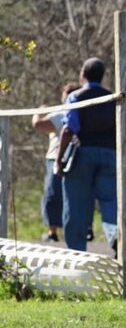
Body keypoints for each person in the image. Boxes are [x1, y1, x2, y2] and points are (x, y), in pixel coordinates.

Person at [55, 58, 118, 253]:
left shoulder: (75, 97)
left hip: (84, 153)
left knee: (76, 203)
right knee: (110, 201)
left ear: (83, 74)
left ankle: (77, 250)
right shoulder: (112, 98)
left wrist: (58, 160)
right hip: (109, 153)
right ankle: (115, 234)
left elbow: (69, 129)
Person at [31, 82, 80, 242]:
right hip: (78, 157)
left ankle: (53, 231)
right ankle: (81, 229)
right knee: (76, 195)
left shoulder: (61, 114)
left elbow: (38, 124)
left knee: (53, 195)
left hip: (57, 158)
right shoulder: (84, 113)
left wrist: (39, 112)